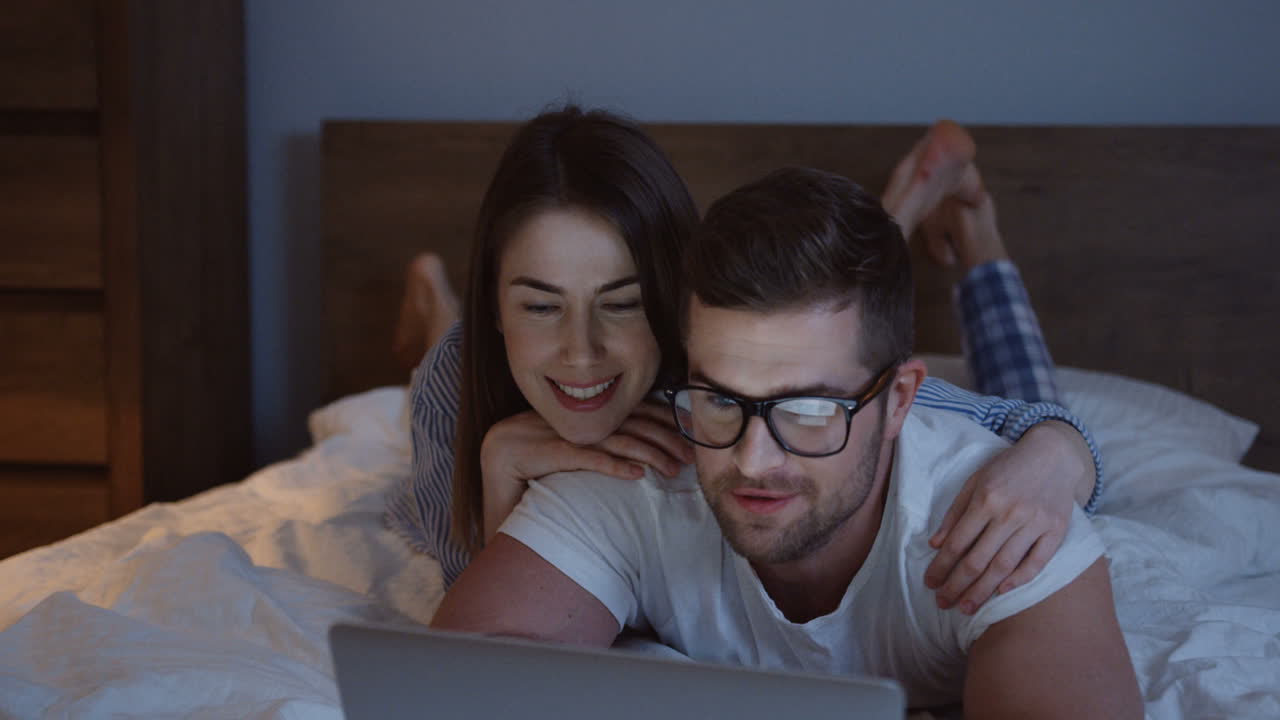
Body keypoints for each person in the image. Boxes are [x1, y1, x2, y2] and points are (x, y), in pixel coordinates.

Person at [430, 166, 1142, 716]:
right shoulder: (632, 466)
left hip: (997, 433)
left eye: (805, 409)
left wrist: (1059, 449)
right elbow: (451, 690)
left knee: (1037, 400)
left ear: (898, 401)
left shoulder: (999, 524)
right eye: (720, 399)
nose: (752, 460)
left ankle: (972, 233)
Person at [384, 107, 1103, 616]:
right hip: (465, 356)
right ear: (495, 308)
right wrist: (500, 469)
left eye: (623, 303)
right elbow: (486, 644)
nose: (581, 353)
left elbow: (1037, 425)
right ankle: (435, 299)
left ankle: (969, 230)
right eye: (539, 306)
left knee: (845, 303)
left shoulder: (726, 371)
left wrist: (1050, 460)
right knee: (449, 349)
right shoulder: (453, 384)